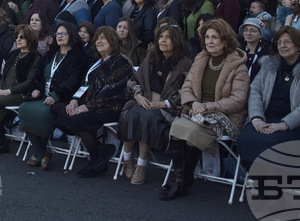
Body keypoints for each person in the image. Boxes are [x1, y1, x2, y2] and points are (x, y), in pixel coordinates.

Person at [161, 19, 249, 200]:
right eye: (207, 37)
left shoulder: (238, 66)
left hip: (223, 116)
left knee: (188, 130)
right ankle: (182, 180)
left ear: (226, 41)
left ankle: (182, 180)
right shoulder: (201, 59)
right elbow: (186, 87)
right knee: (178, 126)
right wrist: (194, 103)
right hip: (196, 111)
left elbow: (238, 100)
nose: (209, 41)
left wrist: (208, 107)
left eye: (214, 37)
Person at [54, 25, 133, 178]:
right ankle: (101, 150)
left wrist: (88, 106)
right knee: (63, 112)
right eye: (97, 39)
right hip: (94, 105)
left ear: (113, 41)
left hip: (113, 106)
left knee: (78, 118)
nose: (98, 42)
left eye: (103, 38)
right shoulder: (97, 62)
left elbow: (110, 89)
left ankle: (95, 159)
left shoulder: (121, 61)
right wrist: (74, 100)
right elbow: (85, 85)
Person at [118, 21, 192, 185]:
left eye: (168, 37)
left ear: (177, 40)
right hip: (143, 102)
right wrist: (138, 95)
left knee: (147, 117)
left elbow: (187, 91)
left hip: (168, 109)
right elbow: (132, 80)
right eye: (161, 37)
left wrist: (164, 103)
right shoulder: (151, 57)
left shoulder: (184, 63)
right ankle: (127, 159)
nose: (163, 40)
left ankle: (141, 165)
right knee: (131, 113)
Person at [238, 26, 300, 164]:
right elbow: (255, 92)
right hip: (264, 119)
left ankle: (270, 177)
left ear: (299, 45)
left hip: (294, 125)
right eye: (279, 42)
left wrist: (285, 124)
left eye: (287, 42)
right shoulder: (268, 66)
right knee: (247, 138)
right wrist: (256, 118)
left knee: (272, 143)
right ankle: (256, 176)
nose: (282, 46)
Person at [19, 24, 88, 169]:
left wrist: (55, 95)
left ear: (71, 35)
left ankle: (38, 153)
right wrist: (35, 89)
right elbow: (38, 74)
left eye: (63, 33)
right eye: (57, 34)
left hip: (62, 97)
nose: (60, 36)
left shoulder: (78, 56)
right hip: (42, 95)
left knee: (44, 113)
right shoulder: (50, 53)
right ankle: (42, 152)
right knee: (24, 108)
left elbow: (73, 81)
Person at [0, 24, 42, 154]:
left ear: (30, 39)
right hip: (5, 91)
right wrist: (0, 89)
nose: (18, 40)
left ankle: (1, 141)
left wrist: (9, 91)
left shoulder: (35, 57)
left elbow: (29, 81)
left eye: (22, 37)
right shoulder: (14, 54)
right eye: (17, 37)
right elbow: (4, 75)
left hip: (21, 93)